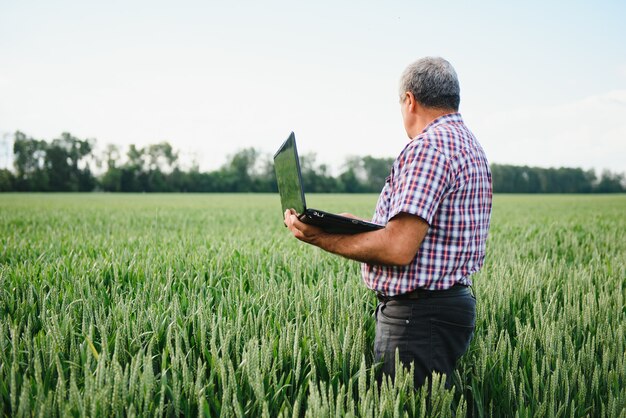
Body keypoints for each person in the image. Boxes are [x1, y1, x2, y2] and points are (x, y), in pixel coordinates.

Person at [284, 56, 492, 389]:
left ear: (410, 100)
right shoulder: (469, 146)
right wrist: (351, 224)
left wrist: (319, 238)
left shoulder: (429, 148)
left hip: (417, 317)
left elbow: (398, 249)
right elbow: (419, 233)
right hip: (445, 308)